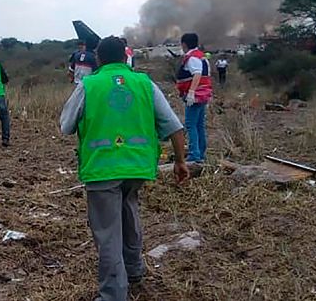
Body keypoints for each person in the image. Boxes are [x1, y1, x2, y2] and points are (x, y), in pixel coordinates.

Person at [60, 36, 189, 301]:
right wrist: (180, 162)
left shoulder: (89, 85)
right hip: (137, 167)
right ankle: (134, 270)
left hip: (102, 169)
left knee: (107, 234)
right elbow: (174, 126)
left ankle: (113, 295)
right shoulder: (144, 84)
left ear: (99, 58)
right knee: (129, 214)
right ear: (125, 57)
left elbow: (65, 126)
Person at [176, 33, 213, 163]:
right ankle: (201, 154)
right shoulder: (202, 57)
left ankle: (194, 155)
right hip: (203, 94)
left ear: (184, 44)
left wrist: (191, 92)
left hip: (196, 96)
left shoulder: (192, 58)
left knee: (191, 125)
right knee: (199, 125)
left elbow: (197, 74)